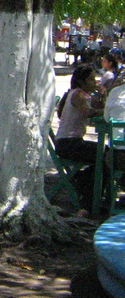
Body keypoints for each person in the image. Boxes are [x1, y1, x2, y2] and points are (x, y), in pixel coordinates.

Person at [55, 65, 104, 210]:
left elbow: (100, 105)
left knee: (107, 154)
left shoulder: (84, 95)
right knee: (106, 155)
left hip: (74, 142)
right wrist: (105, 111)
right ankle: (89, 202)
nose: (94, 82)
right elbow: (89, 112)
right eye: (91, 79)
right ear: (81, 82)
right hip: (68, 144)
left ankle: (82, 181)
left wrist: (103, 95)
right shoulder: (78, 94)